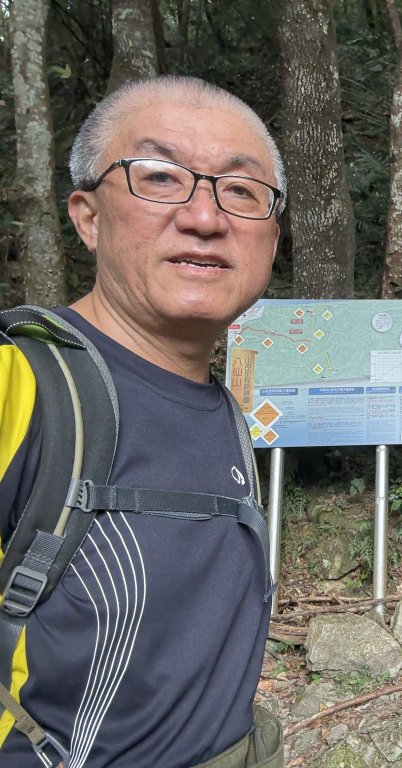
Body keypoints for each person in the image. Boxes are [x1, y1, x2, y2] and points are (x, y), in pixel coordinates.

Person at [0, 75, 286, 767]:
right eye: (160, 177)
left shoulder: (225, 413)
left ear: (272, 237)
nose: (205, 217)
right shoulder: (20, 381)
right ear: (88, 216)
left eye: (241, 190)